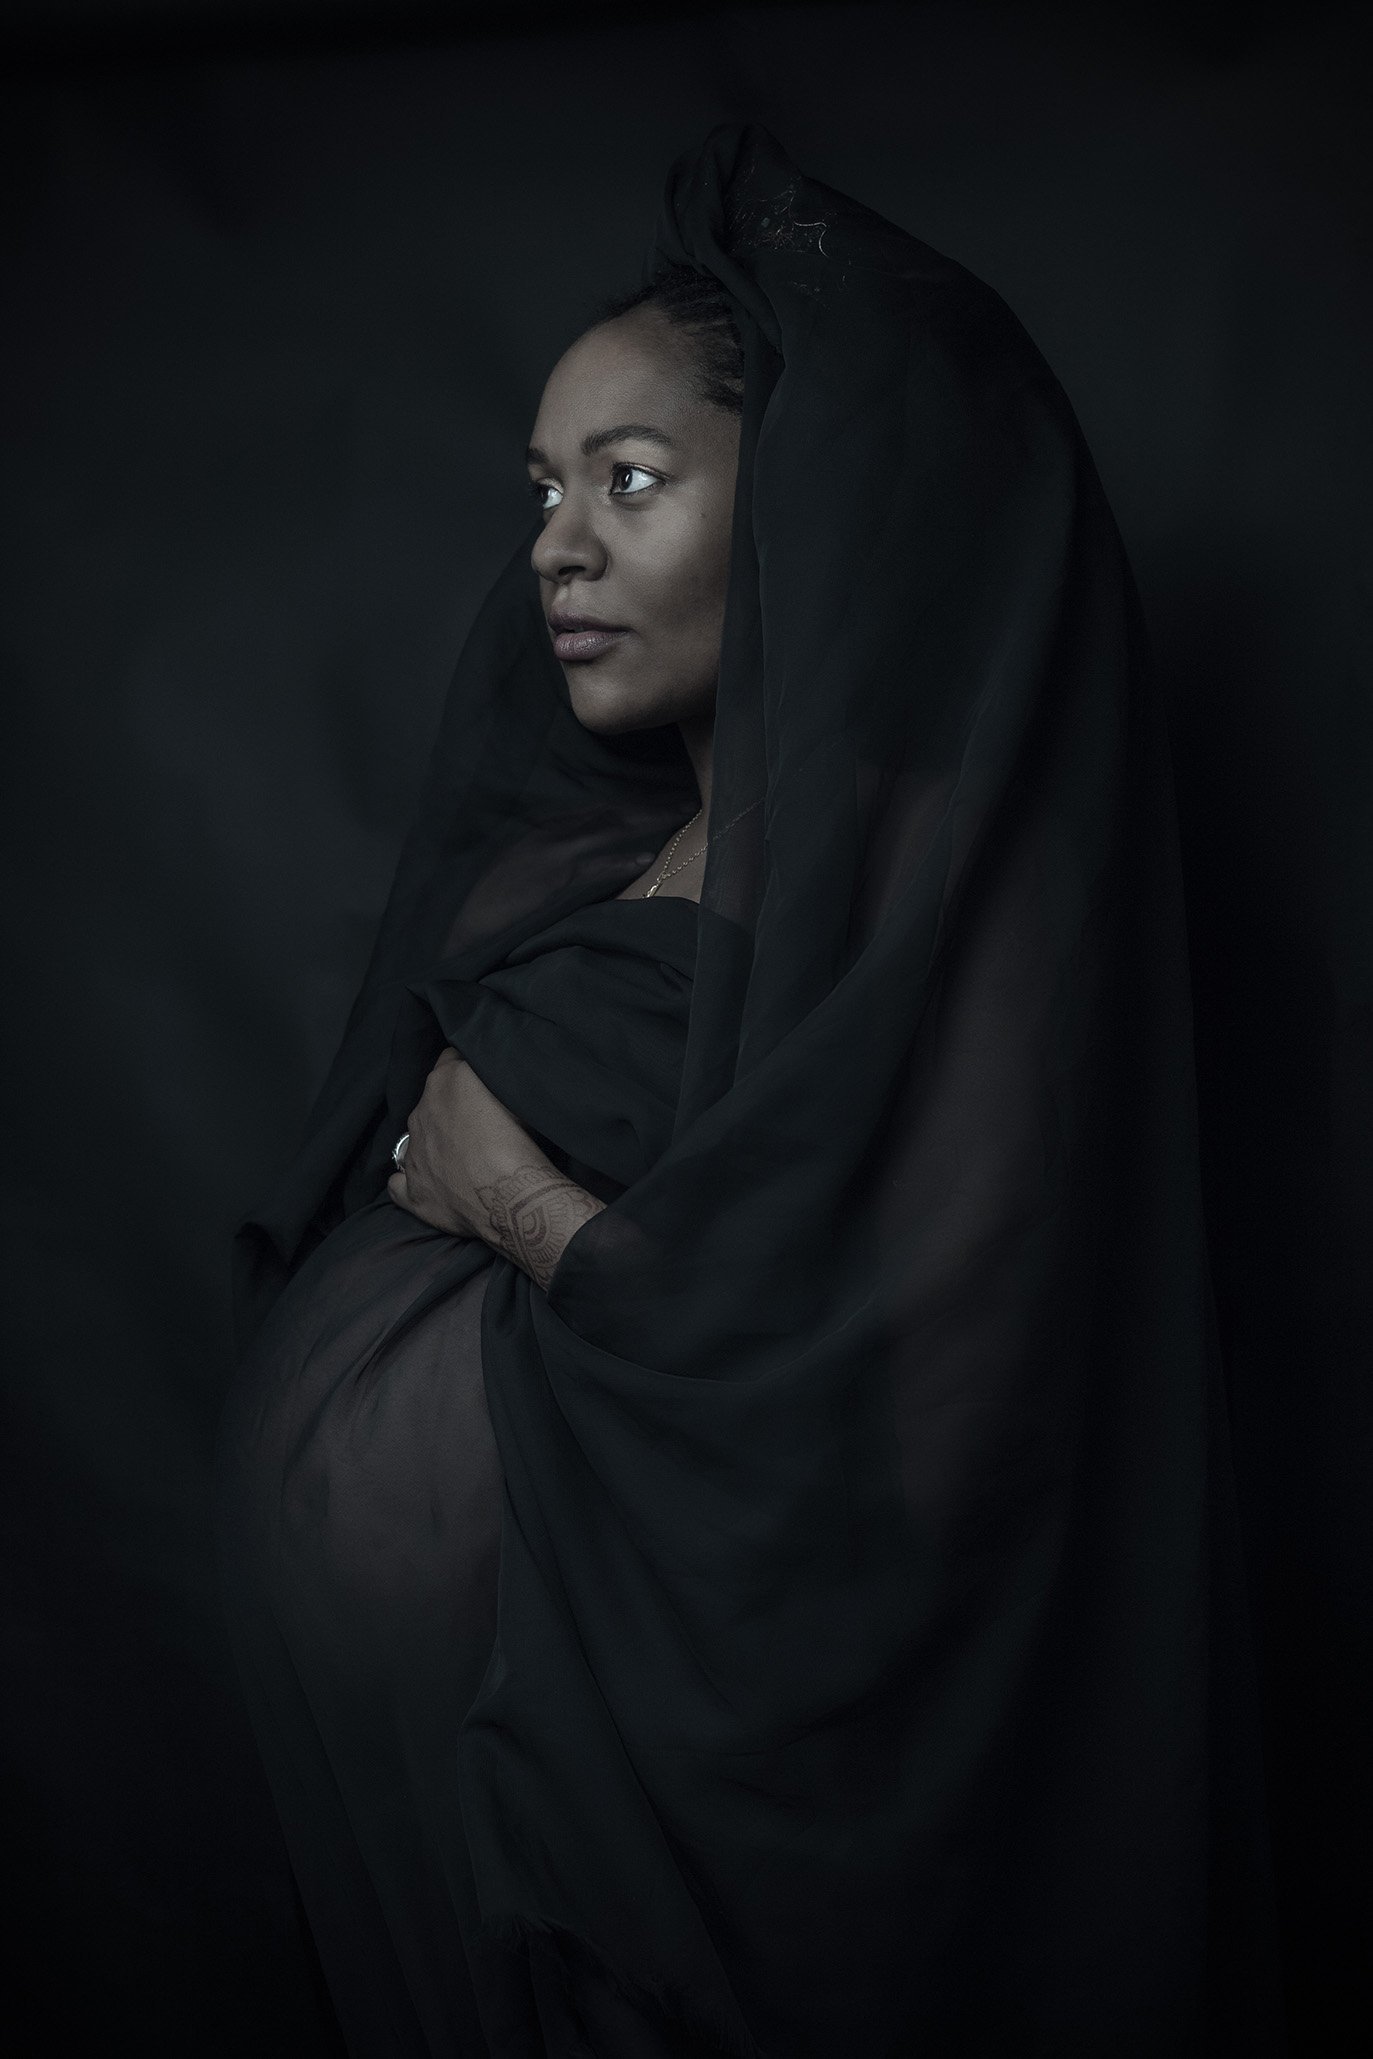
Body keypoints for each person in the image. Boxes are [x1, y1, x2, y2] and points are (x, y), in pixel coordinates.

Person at [214, 123, 1287, 2057]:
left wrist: (513, 1206)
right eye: (542, 486)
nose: (555, 541)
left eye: (630, 482)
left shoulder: (932, 885)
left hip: (705, 1808)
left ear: (803, 508)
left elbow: (943, 1412)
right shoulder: (601, 857)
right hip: (472, 1777)